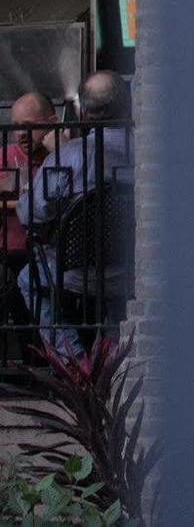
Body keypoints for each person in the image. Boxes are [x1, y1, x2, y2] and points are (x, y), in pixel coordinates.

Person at [17, 72, 133, 357]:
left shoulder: (69, 156)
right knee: (117, 298)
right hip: (132, 269)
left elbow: (30, 214)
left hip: (76, 273)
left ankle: (75, 363)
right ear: (129, 105)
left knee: (26, 279)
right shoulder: (151, 152)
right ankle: (117, 363)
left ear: (85, 112)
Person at [0, 91, 52, 321]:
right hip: (8, 253)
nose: (21, 134)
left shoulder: (65, 154)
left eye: (29, 126)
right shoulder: (4, 155)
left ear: (52, 123)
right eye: (16, 126)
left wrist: (57, 149)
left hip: (49, 254)